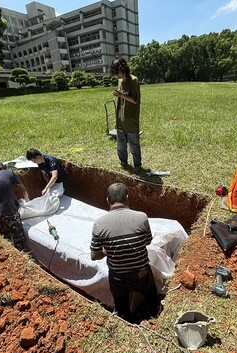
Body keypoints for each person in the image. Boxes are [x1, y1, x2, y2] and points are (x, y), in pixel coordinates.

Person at [90, 182, 160, 323]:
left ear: (107, 201)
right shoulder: (142, 217)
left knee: (121, 307)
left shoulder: (99, 224)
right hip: (142, 274)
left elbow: (94, 256)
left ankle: (126, 320)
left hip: (118, 278)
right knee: (152, 300)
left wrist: (106, 250)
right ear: (127, 198)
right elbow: (147, 242)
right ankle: (154, 315)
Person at [0, 161, 29, 251]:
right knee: (17, 234)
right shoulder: (9, 173)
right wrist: (27, 201)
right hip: (7, 210)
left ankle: (8, 252)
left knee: (4, 234)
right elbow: (23, 189)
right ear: (1, 167)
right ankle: (21, 253)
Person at [110, 57, 144, 171]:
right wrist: (118, 95)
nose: (117, 76)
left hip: (131, 119)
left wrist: (120, 95)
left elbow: (135, 100)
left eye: (118, 73)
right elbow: (121, 97)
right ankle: (123, 162)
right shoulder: (120, 81)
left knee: (134, 145)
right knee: (121, 145)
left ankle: (137, 165)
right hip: (120, 119)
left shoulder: (134, 80)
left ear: (124, 69)